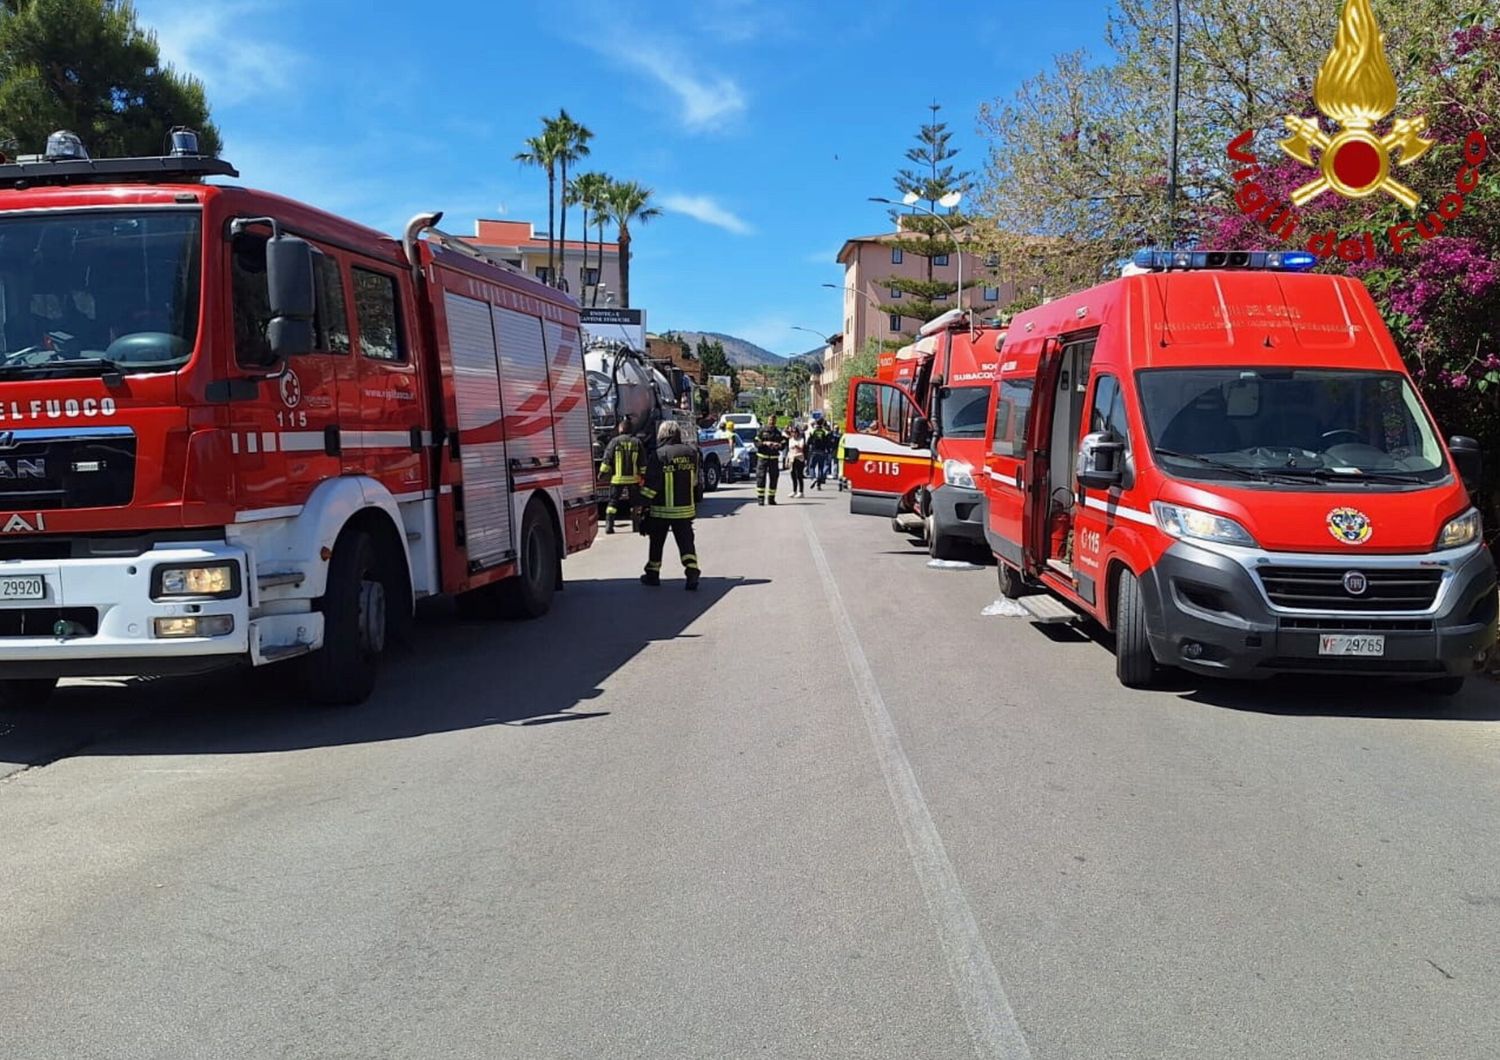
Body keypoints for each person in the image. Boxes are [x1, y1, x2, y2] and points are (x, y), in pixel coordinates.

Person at [638, 420, 700, 590]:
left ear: (663, 435)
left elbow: (652, 484)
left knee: (656, 543)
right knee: (686, 543)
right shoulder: (692, 452)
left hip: (661, 510)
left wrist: (642, 505)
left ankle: (653, 573)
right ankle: (692, 571)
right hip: (685, 510)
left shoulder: (659, 455)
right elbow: (694, 481)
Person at [598, 417, 643, 534]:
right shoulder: (637, 442)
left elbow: (607, 459)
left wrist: (601, 474)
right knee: (635, 504)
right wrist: (643, 476)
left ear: (621, 429)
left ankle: (609, 526)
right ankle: (636, 526)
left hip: (617, 480)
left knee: (612, 503)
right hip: (633, 480)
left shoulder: (614, 442)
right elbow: (643, 462)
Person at [754, 413, 786, 506]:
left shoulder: (778, 432)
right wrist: (764, 443)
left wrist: (779, 445)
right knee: (761, 478)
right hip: (762, 458)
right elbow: (756, 442)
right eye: (770, 420)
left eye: (773, 420)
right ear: (767, 421)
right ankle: (760, 499)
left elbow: (783, 443)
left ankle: (771, 499)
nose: (772, 422)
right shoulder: (762, 431)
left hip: (773, 459)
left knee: (774, 478)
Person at [808, 419, 833, 489]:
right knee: (820, 468)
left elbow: (809, 441)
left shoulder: (813, 431)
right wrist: (828, 450)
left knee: (811, 466)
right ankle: (819, 485)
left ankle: (813, 478)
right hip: (822, 452)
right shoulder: (825, 432)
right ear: (822, 424)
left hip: (814, 451)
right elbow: (828, 442)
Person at [787, 427, 807, 498]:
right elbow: (789, 450)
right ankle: (794, 491)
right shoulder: (790, 440)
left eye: (795, 432)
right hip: (792, 458)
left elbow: (801, 448)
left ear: (798, 433)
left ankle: (801, 492)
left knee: (799, 475)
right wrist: (787, 460)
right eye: (792, 432)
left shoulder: (801, 439)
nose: (794, 433)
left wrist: (796, 446)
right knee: (793, 475)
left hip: (799, 458)